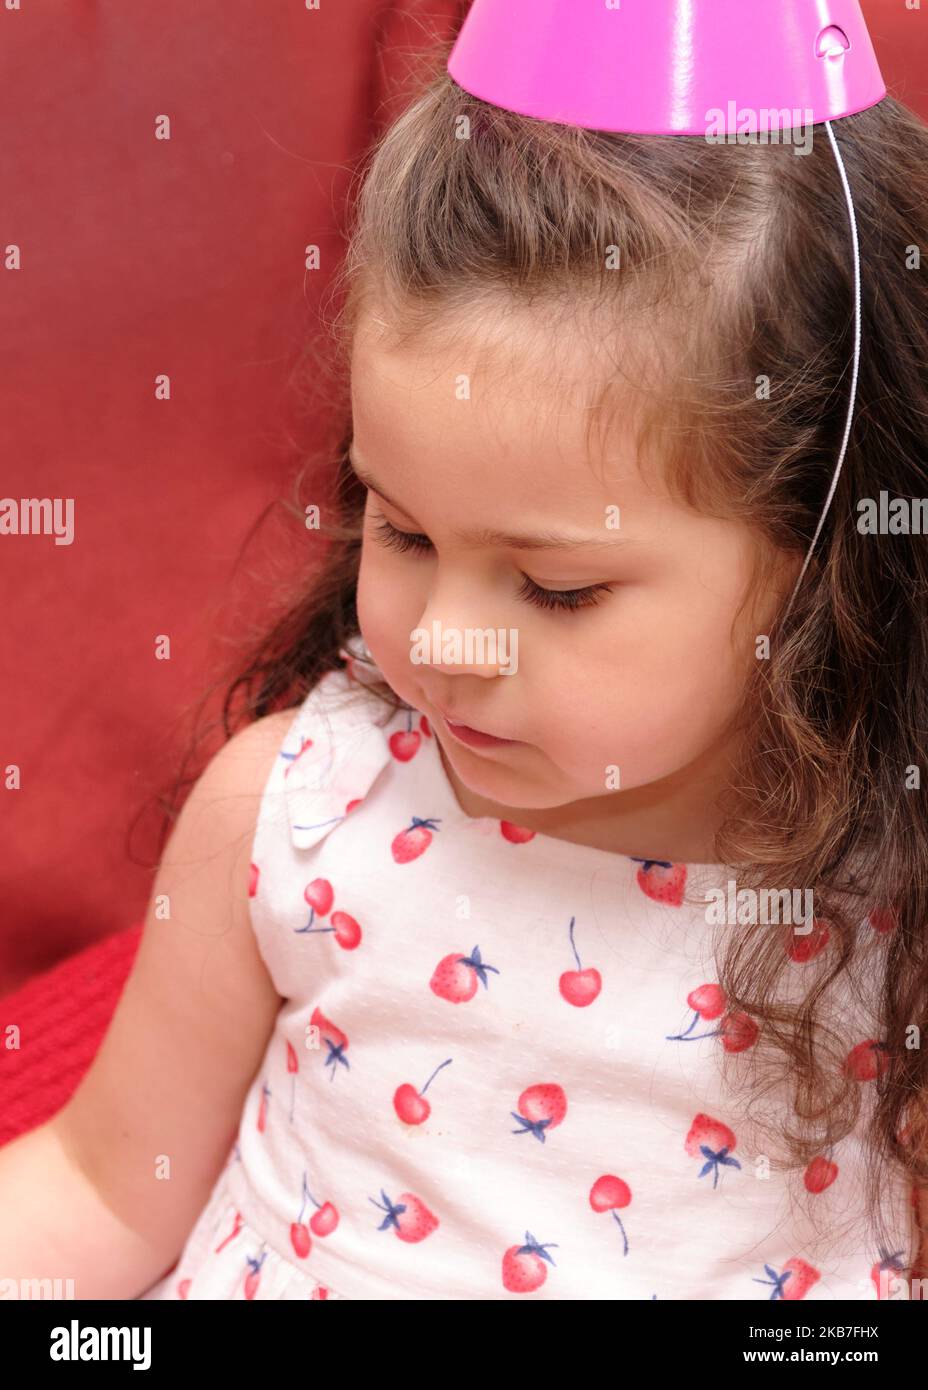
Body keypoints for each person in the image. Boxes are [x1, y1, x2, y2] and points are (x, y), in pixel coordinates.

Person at [2, 53, 927, 1302]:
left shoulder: (891, 906)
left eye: (555, 589)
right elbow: (102, 1190)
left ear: (820, 565)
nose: (441, 641)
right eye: (402, 532)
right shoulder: (299, 812)